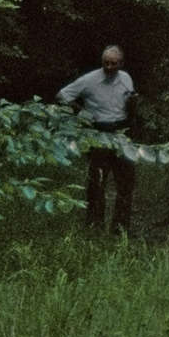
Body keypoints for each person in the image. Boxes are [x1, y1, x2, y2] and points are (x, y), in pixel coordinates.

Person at [59, 45, 137, 232]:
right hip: (98, 132)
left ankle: (120, 229)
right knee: (97, 181)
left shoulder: (126, 78)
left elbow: (129, 102)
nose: (109, 67)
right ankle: (94, 226)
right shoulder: (90, 80)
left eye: (113, 64)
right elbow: (62, 95)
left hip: (121, 132)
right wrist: (83, 113)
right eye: (106, 63)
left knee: (126, 182)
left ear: (121, 64)